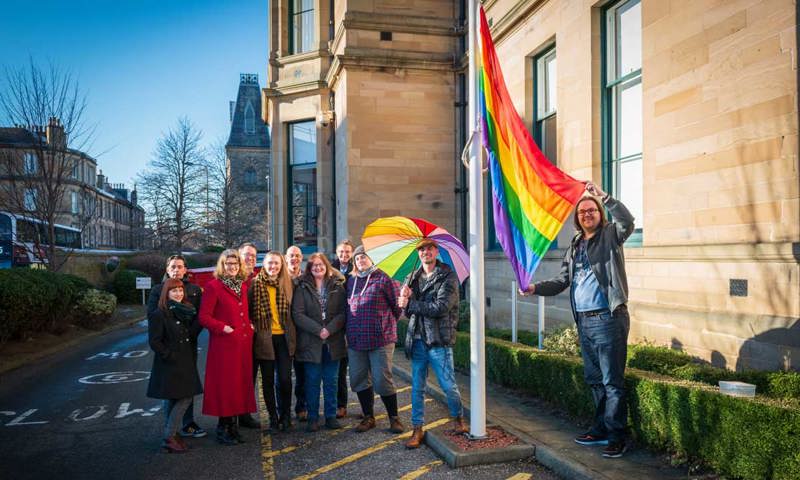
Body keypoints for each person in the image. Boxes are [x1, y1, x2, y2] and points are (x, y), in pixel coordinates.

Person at [521, 181, 634, 458]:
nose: (587, 214)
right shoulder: (574, 245)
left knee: (612, 381)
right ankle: (601, 428)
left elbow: (627, 221)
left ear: (599, 213)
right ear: (577, 218)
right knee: (595, 379)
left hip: (608, 318)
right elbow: (562, 280)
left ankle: (618, 435)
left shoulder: (610, 235)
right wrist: (535, 288)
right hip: (584, 321)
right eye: (582, 211)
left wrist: (604, 197)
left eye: (591, 210)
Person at [398, 238, 467, 448]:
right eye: (421, 249)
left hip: (439, 340)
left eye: (429, 248)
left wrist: (412, 303)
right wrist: (404, 301)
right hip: (417, 340)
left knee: (448, 386)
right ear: (418, 253)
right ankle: (417, 429)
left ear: (436, 251)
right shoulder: (412, 277)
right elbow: (409, 312)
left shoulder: (448, 276)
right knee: (417, 387)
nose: (425, 252)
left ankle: (458, 419)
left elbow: (441, 307)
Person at [199, 249, 256, 446]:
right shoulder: (213, 286)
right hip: (224, 345)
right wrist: (222, 327)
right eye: (228, 264)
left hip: (243, 344)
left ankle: (234, 427)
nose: (232, 267)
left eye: (235, 264)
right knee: (225, 387)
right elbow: (204, 317)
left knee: (239, 385)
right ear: (222, 266)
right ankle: (223, 428)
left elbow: (244, 311)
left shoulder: (242, 284)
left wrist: (250, 324)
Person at [345, 245, 404, 434]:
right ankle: (368, 417)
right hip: (356, 340)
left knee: (382, 380)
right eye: (357, 258)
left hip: (380, 339)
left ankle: (394, 418)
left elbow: (398, 308)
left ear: (371, 259)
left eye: (364, 257)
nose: (361, 260)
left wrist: (383, 325)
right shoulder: (351, 281)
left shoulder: (384, 278)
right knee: (358, 379)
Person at [146, 254, 205, 439]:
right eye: (173, 266)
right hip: (170, 346)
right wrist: (168, 350)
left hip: (188, 344)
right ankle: (170, 428)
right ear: (167, 269)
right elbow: (154, 317)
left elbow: (199, 317)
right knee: (171, 389)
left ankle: (188, 424)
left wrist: (190, 334)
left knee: (188, 387)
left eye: (180, 266)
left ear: (185, 269)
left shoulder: (194, 290)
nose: (176, 270)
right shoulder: (158, 290)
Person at [292, 253, 347, 432]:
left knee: (331, 381)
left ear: (327, 266)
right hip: (310, 343)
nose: (318, 268)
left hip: (333, 342)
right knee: (312, 381)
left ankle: (330, 417)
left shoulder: (337, 287)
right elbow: (298, 314)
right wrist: (318, 330)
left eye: (321, 265)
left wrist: (329, 329)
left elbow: (342, 313)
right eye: (314, 265)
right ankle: (313, 418)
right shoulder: (301, 287)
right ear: (309, 268)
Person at [250, 251, 297, 432]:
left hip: (284, 338)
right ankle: (273, 416)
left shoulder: (288, 283)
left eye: (276, 263)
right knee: (267, 381)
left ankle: (285, 414)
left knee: (285, 379)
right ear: (264, 264)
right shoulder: (255, 284)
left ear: (281, 265)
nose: (273, 267)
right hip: (264, 338)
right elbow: (247, 311)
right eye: (270, 263)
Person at [237, 242, 261, 430]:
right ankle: (233, 415)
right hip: (238, 337)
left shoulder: (256, 278)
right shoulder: (235, 280)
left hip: (254, 336)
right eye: (247, 255)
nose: (251, 258)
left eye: (253, 255)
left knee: (249, 377)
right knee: (236, 377)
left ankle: (244, 413)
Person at [330, 239, 354, 418]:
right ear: (336, 253)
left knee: (358, 370)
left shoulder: (358, 270)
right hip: (336, 323)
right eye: (341, 252)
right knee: (337, 369)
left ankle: (365, 408)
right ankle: (340, 405)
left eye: (347, 252)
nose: (344, 255)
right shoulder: (329, 269)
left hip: (353, 323)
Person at [285, 245, 307, 421]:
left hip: (302, 333)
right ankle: (282, 412)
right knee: (283, 378)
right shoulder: (279, 277)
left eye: (297, 256)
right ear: (286, 258)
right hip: (283, 333)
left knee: (302, 375)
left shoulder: (307, 278)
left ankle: (301, 407)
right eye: (291, 255)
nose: (294, 258)